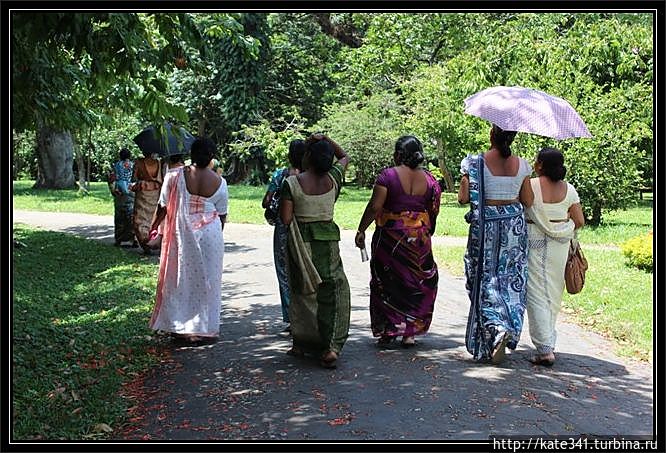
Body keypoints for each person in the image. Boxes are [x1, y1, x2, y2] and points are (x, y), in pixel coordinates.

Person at [355, 136, 442, 348]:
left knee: (386, 282)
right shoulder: (431, 181)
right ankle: (409, 333)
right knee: (416, 283)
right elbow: (433, 212)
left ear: (397, 155)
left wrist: (361, 229)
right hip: (418, 239)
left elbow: (375, 206)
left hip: (390, 238)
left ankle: (388, 330)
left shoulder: (387, 176)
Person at [458, 124, 534, 364]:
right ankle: (506, 325)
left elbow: (462, 198)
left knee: (482, 278)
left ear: (492, 135)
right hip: (513, 228)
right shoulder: (522, 165)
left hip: (486, 227)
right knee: (510, 278)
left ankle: (495, 327)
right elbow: (528, 200)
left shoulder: (473, 163)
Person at [279, 134, 351, 368]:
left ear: (306, 157)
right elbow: (345, 157)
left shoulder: (291, 183)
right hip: (328, 245)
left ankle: (302, 343)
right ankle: (331, 347)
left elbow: (286, 218)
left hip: (301, 246)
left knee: (302, 293)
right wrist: (327, 139)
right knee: (333, 291)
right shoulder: (333, 179)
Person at [148, 137, 228, 344]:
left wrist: (154, 226)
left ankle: (180, 327)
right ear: (212, 157)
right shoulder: (220, 182)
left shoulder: (174, 176)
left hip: (182, 232)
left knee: (181, 279)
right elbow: (222, 215)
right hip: (211, 234)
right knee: (209, 281)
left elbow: (163, 206)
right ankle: (206, 329)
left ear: (191, 154)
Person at [525, 147, 584, 366]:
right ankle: (548, 340)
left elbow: (523, 207)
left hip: (534, 241)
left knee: (536, 294)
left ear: (540, 164)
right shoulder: (569, 190)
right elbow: (579, 221)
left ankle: (544, 348)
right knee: (552, 292)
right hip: (560, 245)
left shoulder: (529, 185)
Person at [262, 139, 306, 332]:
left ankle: (291, 317)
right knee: (304, 270)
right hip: (305, 227)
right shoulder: (310, 177)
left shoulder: (281, 175)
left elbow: (266, 201)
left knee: (284, 271)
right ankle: (307, 314)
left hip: (283, 227)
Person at [146, 154, 187, 250]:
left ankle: (159, 238)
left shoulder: (171, 175)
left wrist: (154, 226)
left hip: (174, 218)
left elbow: (163, 205)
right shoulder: (190, 174)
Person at [132, 151, 164, 254]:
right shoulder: (159, 163)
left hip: (142, 192)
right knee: (154, 218)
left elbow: (134, 178)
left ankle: (145, 244)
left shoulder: (139, 162)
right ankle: (154, 239)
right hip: (156, 192)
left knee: (140, 219)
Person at [108, 148, 138, 247]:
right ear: (129, 156)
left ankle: (119, 239)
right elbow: (136, 178)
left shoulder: (116, 165)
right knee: (131, 216)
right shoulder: (133, 165)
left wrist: (114, 191)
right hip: (131, 192)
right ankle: (133, 239)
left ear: (120, 156)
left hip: (119, 193)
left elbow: (112, 179)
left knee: (119, 216)